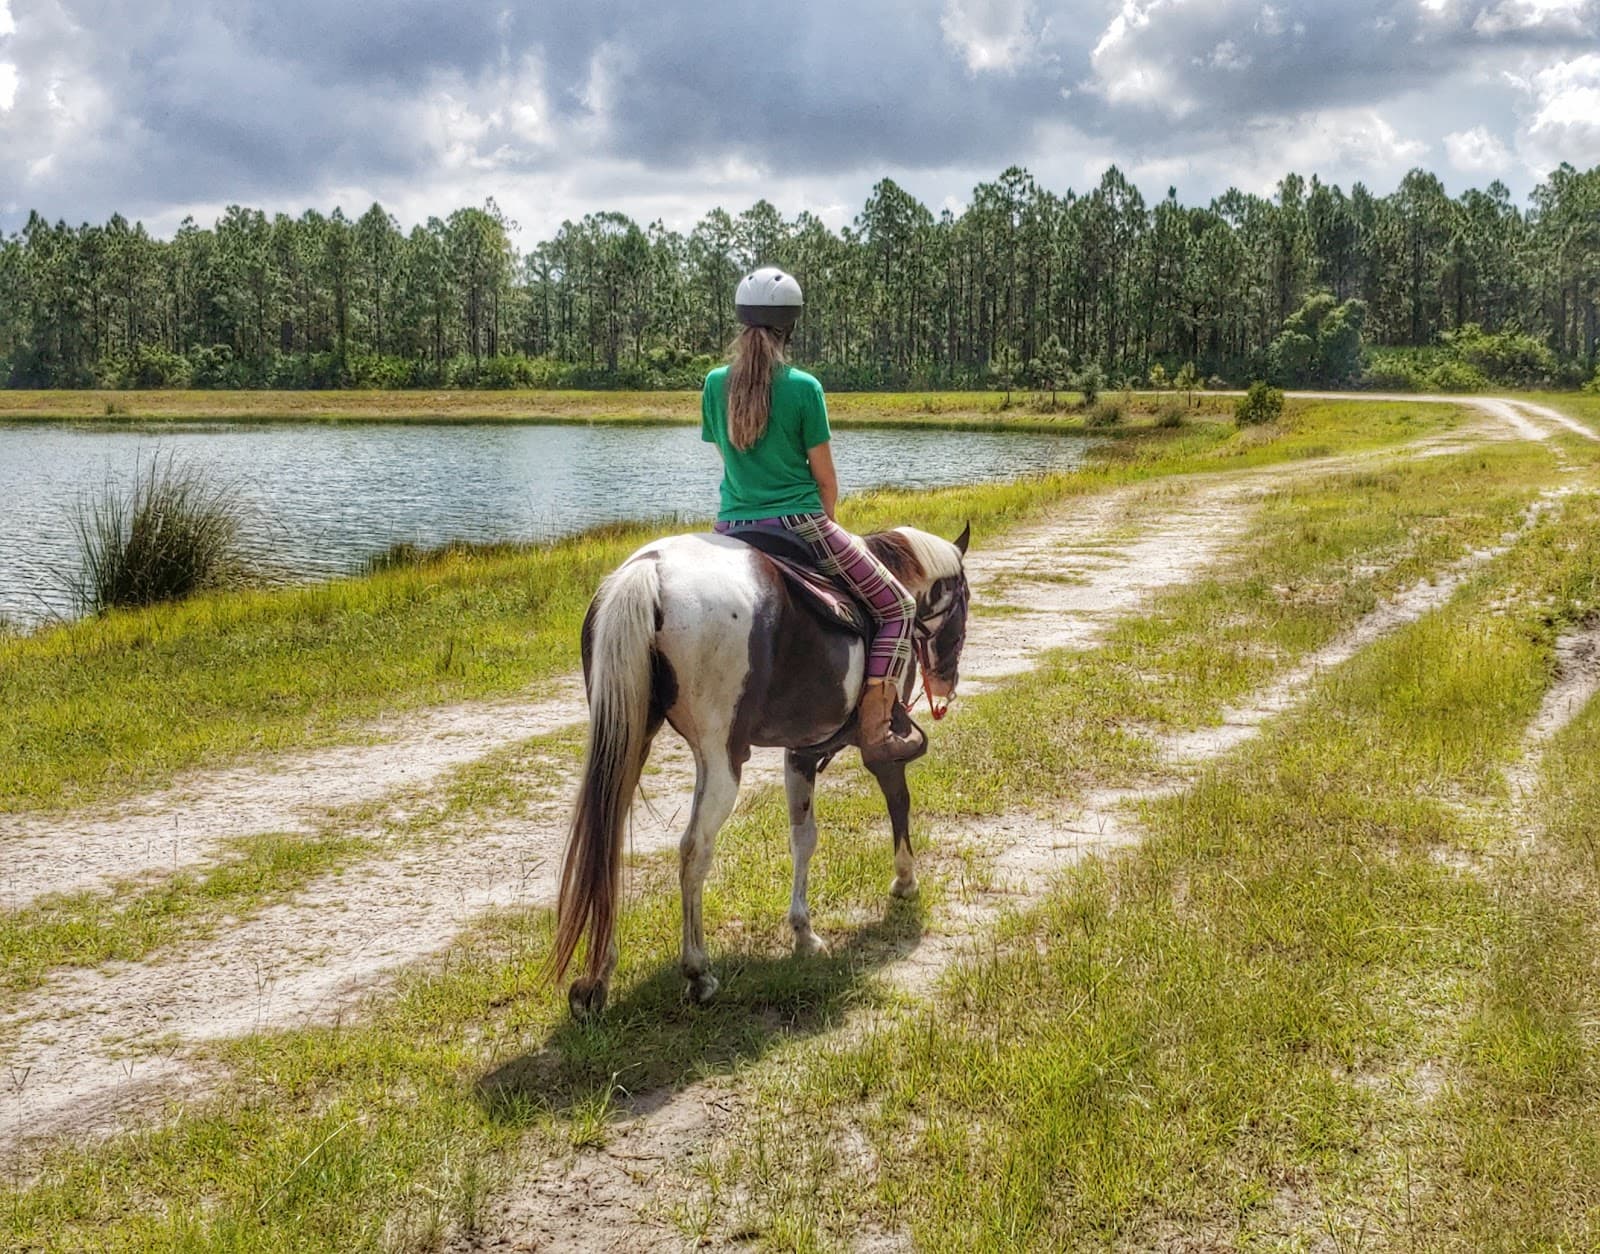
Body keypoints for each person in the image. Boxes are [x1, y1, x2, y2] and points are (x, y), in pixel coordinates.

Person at [701, 266, 924, 765]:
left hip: (731, 528)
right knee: (898, 607)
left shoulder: (715, 384)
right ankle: (875, 725)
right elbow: (825, 480)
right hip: (799, 524)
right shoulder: (804, 388)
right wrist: (824, 532)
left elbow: (729, 460)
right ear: (792, 326)